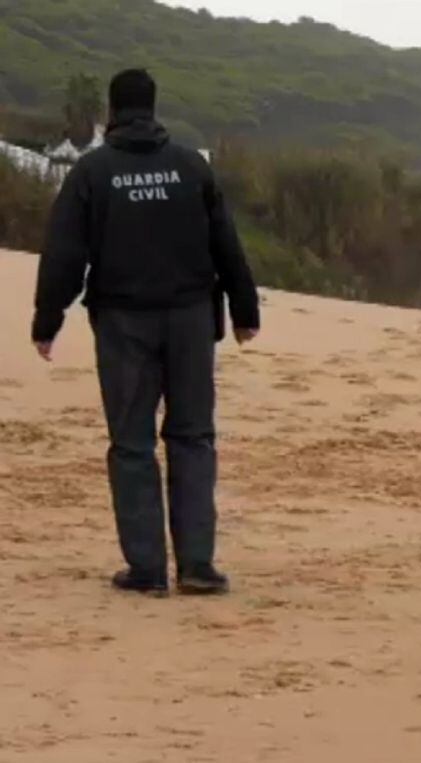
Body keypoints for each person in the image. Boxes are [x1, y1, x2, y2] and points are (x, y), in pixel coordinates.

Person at [31, 68, 261, 596]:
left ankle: (148, 570)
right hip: (190, 319)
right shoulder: (190, 168)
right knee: (193, 437)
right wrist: (246, 310)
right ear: (154, 109)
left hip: (123, 324)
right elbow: (227, 242)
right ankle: (199, 566)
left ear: (112, 111)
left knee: (132, 443)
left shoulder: (93, 172)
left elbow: (65, 254)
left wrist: (48, 320)